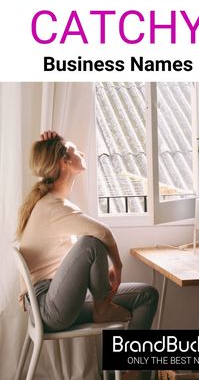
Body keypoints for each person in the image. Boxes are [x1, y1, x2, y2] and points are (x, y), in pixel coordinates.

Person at [16, 131, 158, 379]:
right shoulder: (51, 206)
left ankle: (131, 374)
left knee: (146, 295)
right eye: (73, 149)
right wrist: (118, 267)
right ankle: (102, 306)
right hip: (48, 307)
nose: (81, 152)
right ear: (64, 162)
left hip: (54, 300)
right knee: (91, 242)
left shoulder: (54, 202)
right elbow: (102, 232)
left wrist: (56, 138)